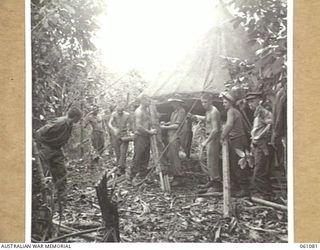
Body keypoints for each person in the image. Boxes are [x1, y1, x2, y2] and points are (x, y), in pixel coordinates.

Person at [35, 107, 82, 204]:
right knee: (41, 173)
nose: (79, 120)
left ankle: (62, 198)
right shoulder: (59, 122)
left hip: (56, 149)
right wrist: (41, 147)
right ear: (75, 117)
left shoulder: (70, 125)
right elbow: (39, 132)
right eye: (79, 118)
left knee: (61, 172)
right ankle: (39, 198)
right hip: (46, 148)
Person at [220, 92, 250, 198]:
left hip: (237, 139)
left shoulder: (231, 111)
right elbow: (245, 126)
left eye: (225, 102)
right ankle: (238, 186)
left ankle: (244, 189)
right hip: (241, 138)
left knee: (238, 164)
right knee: (239, 162)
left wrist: (222, 136)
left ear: (230, 103)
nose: (223, 104)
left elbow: (229, 125)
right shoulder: (237, 111)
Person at [190, 93, 222, 191]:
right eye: (202, 102)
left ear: (210, 101)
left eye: (205, 102)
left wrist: (206, 141)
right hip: (208, 137)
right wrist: (196, 117)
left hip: (213, 138)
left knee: (212, 161)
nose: (203, 104)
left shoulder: (214, 112)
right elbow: (207, 120)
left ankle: (216, 183)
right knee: (202, 158)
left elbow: (215, 129)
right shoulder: (208, 111)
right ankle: (211, 179)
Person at [246, 92, 273, 199]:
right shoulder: (257, 113)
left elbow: (271, 124)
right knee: (259, 169)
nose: (250, 105)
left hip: (263, 146)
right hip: (257, 146)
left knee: (260, 171)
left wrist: (260, 137)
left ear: (259, 101)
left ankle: (263, 195)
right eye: (248, 103)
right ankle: (265, 193)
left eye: (252, 102)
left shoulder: (262, 112)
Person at [129, 94, 157, 182]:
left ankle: (142, 176)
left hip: (146, 137)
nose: (149, 102)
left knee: (146, 156)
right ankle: (131, 177)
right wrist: (150, 132)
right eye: (148, 101)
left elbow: (148, 123)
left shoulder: (147, 110)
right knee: (138, 157)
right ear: (143, 100)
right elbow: (138, 127)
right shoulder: (139, 111)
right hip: (140, 137)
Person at [160, 98, 186, 186]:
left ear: (178, 103)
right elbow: (172, 122)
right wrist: (165, 123)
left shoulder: (181, 112)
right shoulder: (174, 112)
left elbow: (176, 126)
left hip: (176, 137)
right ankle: (175, 176)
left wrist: (164, 128)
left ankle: (179, 177)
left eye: (173, 103)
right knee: (171, 156)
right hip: (171, 136)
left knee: (175, 158)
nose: (172, 105)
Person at [108, 102, 132, 174]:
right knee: (118, 153)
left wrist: (129, 131)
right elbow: (109, 123)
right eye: (118, 111)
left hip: (124, 134)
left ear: (123, 110)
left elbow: (130, 125)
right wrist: (114, 129)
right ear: (116, 110)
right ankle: (120, 167)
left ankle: (121, 168)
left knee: (123, 152)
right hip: (116, 135)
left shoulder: (127, 115)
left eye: (121, 111)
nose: (120, 112)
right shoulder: (114, 114)